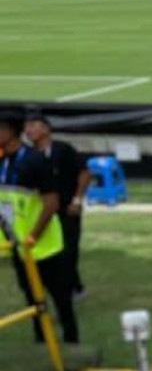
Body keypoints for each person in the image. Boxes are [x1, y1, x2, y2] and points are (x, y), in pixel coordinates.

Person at [0, 109, 78, 344]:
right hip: (20, 245)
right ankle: (41, 342)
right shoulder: (3, 160)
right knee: (33, 299)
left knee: (60, 298)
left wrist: (33, 235)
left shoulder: (34, 160)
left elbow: (51, 203)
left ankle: (72, 343)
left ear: (10, 131)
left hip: (45, 246)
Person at [24, 110, 90, 299]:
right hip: (42, 212)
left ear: (46, 129)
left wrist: (77, 200)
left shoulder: (62, 149)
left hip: (67, 209)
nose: (29, 131)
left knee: (68, 250)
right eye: (27, 127)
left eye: (34, 125)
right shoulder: (27, 156)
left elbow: (84, 173)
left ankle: (72, 289)